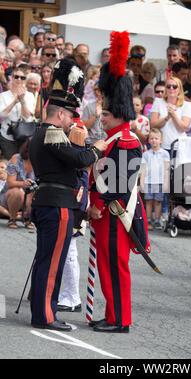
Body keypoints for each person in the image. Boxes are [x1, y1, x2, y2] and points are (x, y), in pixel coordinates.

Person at [28, 58, 107, 332]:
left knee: (46, 259)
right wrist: (98, 146)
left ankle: (41, 308)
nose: (73, 121)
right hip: (57, 204)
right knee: (52, 263)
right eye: (71, 116)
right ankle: (46, 315)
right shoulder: (52, 133)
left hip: (48, 201)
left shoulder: (41, 132)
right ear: (61, 114)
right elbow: (80, 158)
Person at [87, 31, 150, 333]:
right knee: (107, 267)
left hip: (114, 213)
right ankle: (113, 313)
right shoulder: (115, 138)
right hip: (107, 213)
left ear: (117, 114)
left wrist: (98, 205)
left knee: (115, 268)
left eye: (105, 114)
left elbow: (118, 184)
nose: (101, 119)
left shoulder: (124, 141)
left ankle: (121, 319)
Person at [57, 123, 90, 312]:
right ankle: (69, 293)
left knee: (70, 252)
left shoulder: (77, 160)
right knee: (68, 251)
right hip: (75, 206)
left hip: (75, 208)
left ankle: (73, 296)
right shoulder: (81, 158)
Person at [150, 76, 191, 154]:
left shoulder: (186, 105)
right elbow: (153, 124)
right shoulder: (158, 102)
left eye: (174, 86)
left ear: (179, 89)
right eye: (168, 86)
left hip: (180, 147)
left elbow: (183, 128)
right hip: (161, 146)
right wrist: (166, 118)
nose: (171, 88)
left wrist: (173, 115)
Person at [0, 66, 35, 159]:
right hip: (7, 136)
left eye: (22, 78)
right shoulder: (3, 96)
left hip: (24, 136)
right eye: (16, 77)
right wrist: (14, 102)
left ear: (25, 80)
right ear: (11, 78)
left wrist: (22, 100)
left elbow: (28, 118)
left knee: (22, 164)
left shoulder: (30, 96)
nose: (19, 79)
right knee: (10, 163)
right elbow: (2, 115)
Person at [140, 128, 170, 230]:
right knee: (148, 201)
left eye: (156, 138)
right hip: (148, 181)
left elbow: (167, 169)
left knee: (158, 201)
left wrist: (166, 182)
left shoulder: (165, 154)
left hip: (160, 182)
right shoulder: (146, 154)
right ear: (149, 140)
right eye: (152, 138)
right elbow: (143, 169)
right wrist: (142, 182)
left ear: (161, 140)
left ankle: (157, 220)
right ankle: (148, 220)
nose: (154, 140)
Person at [5, 138, 35, 229]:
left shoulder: (41, 161)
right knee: (17, 192)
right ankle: (12, 218)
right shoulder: (17, 158)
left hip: (30, 194)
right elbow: (10, 183)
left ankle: (28, 218)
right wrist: (23, 184)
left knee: (37, 192)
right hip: (12, 194)